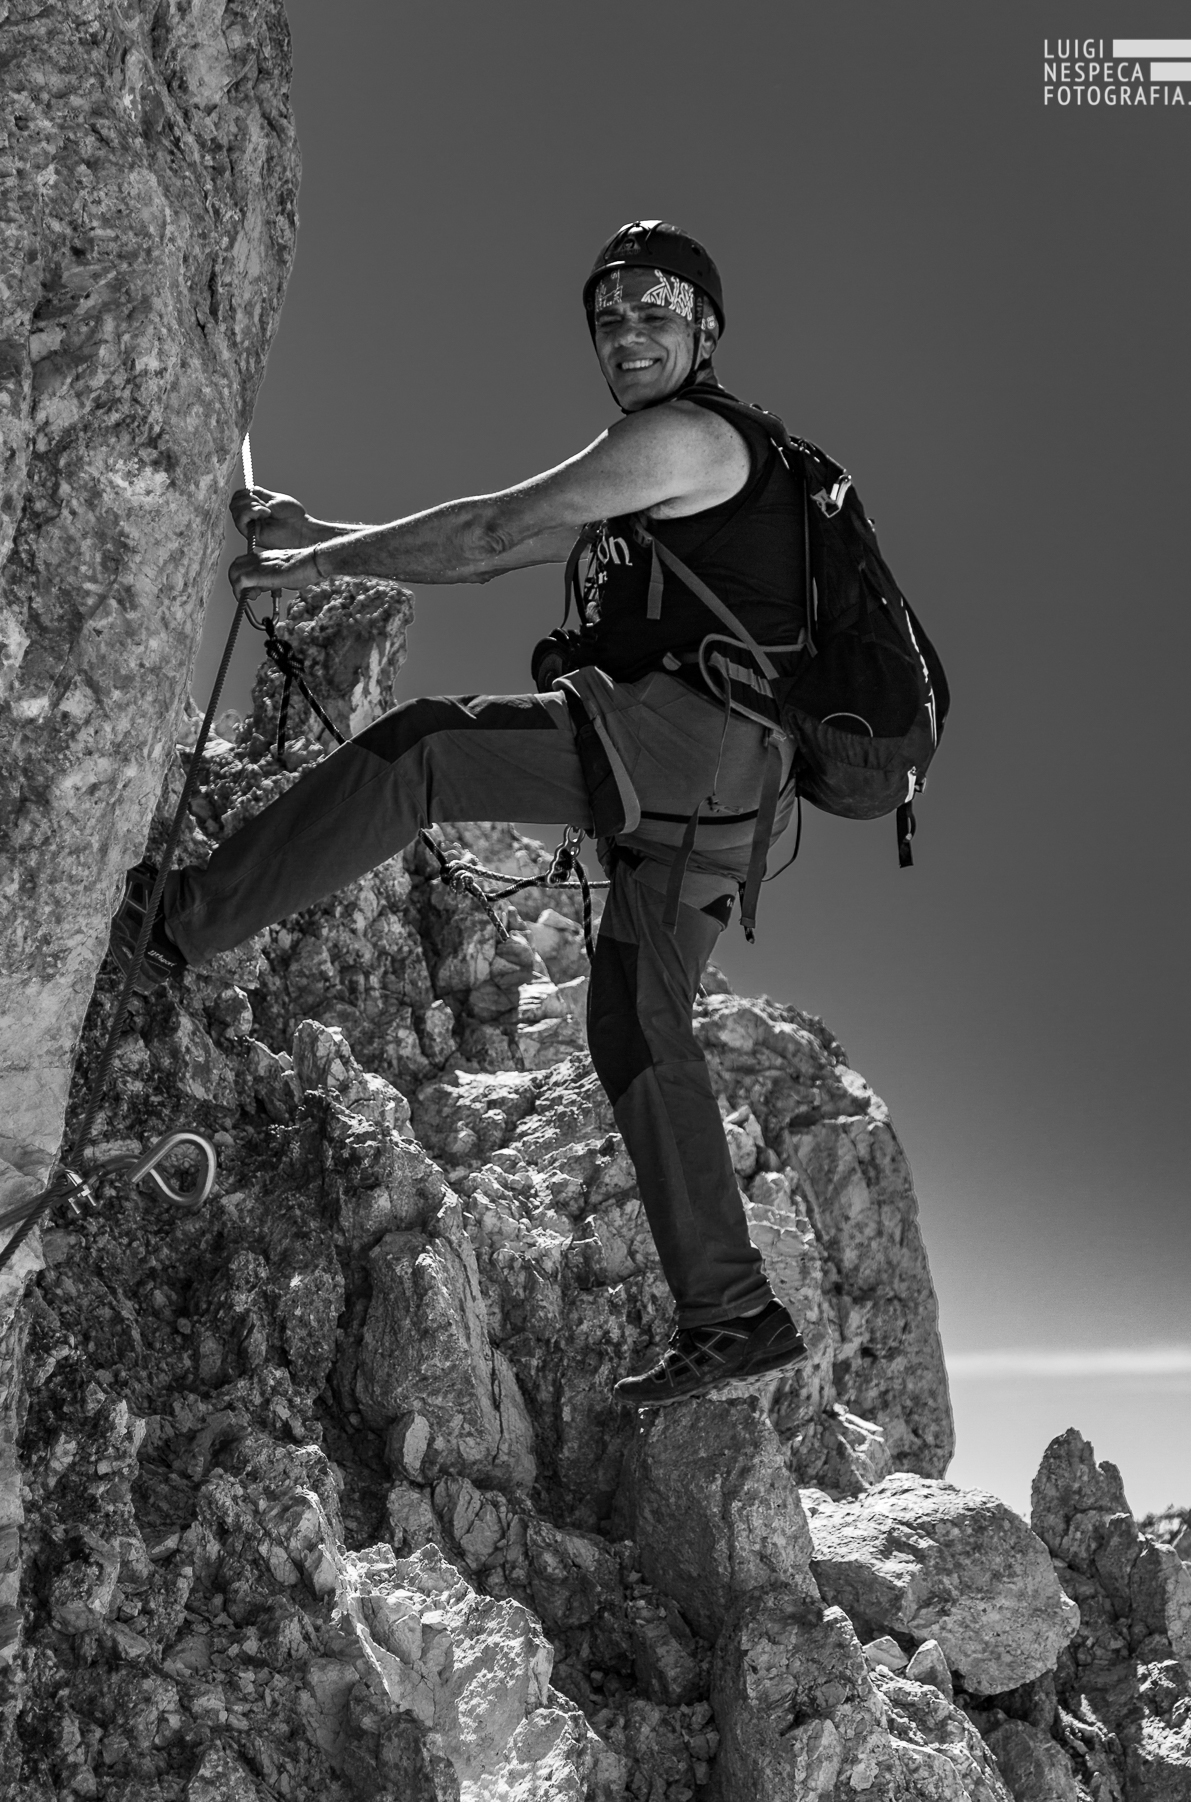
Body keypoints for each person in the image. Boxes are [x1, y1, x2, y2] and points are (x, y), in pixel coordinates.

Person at [112, 219, 812, 1408]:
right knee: (635, 1024)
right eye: (609, 312)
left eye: (655, 309)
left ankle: (174, 924)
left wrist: (317, 570)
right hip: (724, 803)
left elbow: (490, 531)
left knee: (424, 749)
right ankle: (731, 1309)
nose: (627, 330)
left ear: (706, 331)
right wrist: (319, 541)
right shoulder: (687, 462)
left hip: (676, 750)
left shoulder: (685, 442)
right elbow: (492, 551)